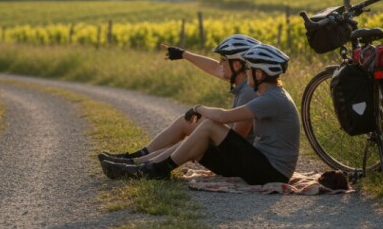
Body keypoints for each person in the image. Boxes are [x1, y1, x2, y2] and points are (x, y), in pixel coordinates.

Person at [101, 44, 300, 185]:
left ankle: (153, 169)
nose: (247, 73)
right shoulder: (268, 94)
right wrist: (184, 55)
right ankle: (143, 166)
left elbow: (222, 118)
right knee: (199, 136)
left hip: (272, 173)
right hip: (263, 166)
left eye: (250, 69)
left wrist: (198, 108)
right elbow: (216, 70)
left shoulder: (271, 99)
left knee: (208, 126)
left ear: (259, 74)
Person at [97, 34, 261, 166]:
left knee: (198, 133)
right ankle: (136, 157)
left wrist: (203, 135)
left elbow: (236, 140)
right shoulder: (244, 81)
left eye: (224, 60)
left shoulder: (248, 93)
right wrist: (184, 54)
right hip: (234, 149)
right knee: (187, 121)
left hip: (236, 159)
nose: (220, 63)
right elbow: (214, 68)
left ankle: (140, 165)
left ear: (238, 65)